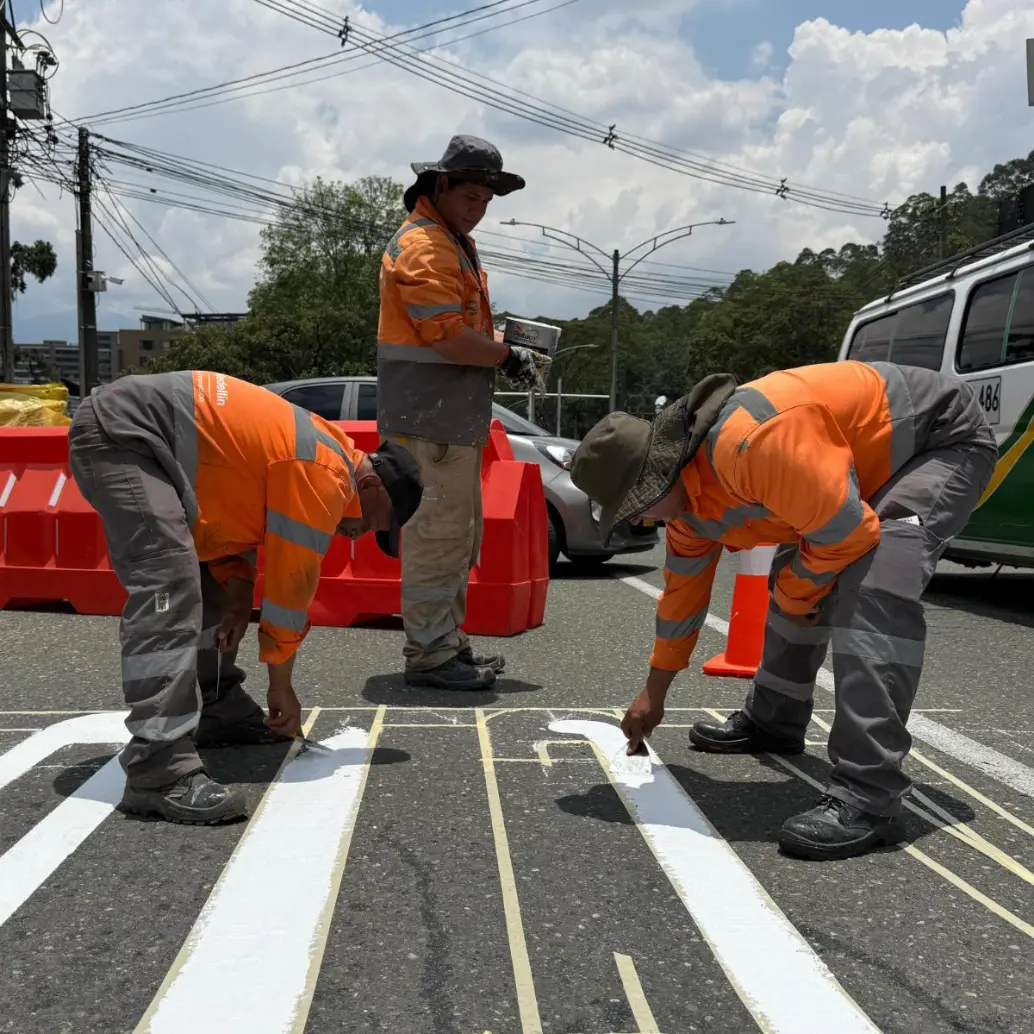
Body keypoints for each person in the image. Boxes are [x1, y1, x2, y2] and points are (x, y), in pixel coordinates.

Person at [570, 360, 997, 860]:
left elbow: (849, 533)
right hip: (849, 473)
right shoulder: (688, 511)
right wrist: (653, 693)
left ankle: (870, 797)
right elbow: (681, 600)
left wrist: (800, 592)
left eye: (636, 504)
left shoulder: (751, 445)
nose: (639, 518)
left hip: (935, 440)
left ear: (661, 475)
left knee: (871, 588)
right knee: (797, 576)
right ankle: (775, 720)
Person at [67, 371, 422, 826]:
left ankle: (216, 708)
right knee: (169, 586)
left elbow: (227, 525)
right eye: (377, 524)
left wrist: (237, 599)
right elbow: (289, 591)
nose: (361, 534)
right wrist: (282, 687)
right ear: (372, 488)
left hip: (150, 440)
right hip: (127, 434)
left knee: (207, 590)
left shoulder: (325, 452)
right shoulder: (325, 474)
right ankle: (156, 770)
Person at [377, 133, 550, 691]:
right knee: (436, 537)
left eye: (486, 202)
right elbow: (449, 338)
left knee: (453, 538)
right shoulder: (427, 247)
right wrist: (506, 354)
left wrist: (502, 346)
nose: (479, 211)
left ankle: (445, 643)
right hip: (430, 422)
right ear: (442, 185)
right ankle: (429, 652)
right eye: (471, 197)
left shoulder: (448, 241)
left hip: (444, 419)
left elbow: (456, 332)